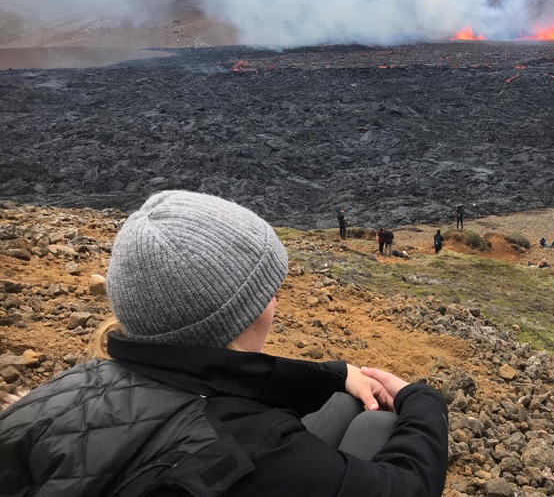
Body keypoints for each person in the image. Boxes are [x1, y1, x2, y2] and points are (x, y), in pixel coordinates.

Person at [0, 191, 449, 497]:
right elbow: (406, 487)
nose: (275, 299)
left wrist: (336, 374)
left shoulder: (72, 386)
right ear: (237, 314)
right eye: (267, 290)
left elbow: (221, 379)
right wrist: (422, 399)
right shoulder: (249, 450)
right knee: (380, 427)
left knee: (343, 402)